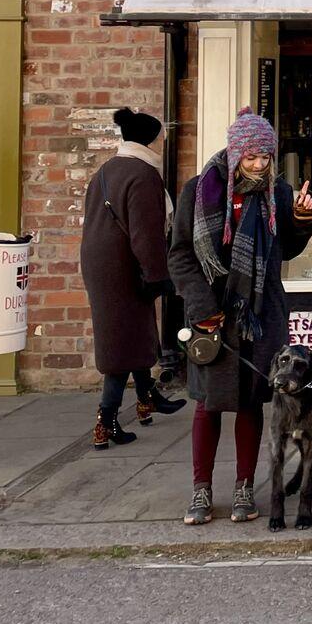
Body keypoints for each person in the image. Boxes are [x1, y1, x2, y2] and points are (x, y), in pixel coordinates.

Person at [168, 107, 312, 525]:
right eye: (251, 157)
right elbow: (180, 257)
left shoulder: (279, 194)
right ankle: (201, 491)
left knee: (252, 402)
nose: (258, 165)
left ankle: (244, 488)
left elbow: (286, 250)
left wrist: (302, 220)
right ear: (235, 154)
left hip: (261, 314)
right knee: (207, 406)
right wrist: (203, 307)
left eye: (265, 157)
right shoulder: (198, 192)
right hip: (213, 316)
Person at [79, 107, 186, 450]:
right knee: (121, 346)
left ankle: (146, 399)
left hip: (103, 264)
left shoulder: (108, 170)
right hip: (124, 265)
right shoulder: (142, 174)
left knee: (134, 333)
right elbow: (146, 234)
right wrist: (158, 275)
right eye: (161, 138)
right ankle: (106, 422)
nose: (163, 143)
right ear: (150, 141)